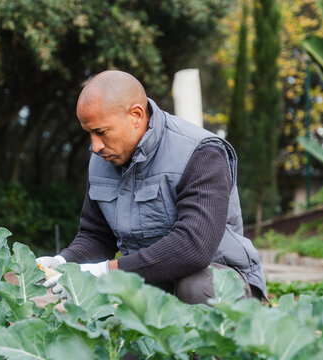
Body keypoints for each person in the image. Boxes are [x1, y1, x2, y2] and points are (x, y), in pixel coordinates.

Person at [36, 70, 267, 303]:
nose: (95, 146)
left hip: (222, 279)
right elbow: (96, 236)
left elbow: (193, 248)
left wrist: (106, 272)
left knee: (197, 287)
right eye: (89, 134)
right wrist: (64, 263)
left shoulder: (201, 153)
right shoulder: (103, 160)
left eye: (101, 132)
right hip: (149, 279)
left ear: (135, 115)